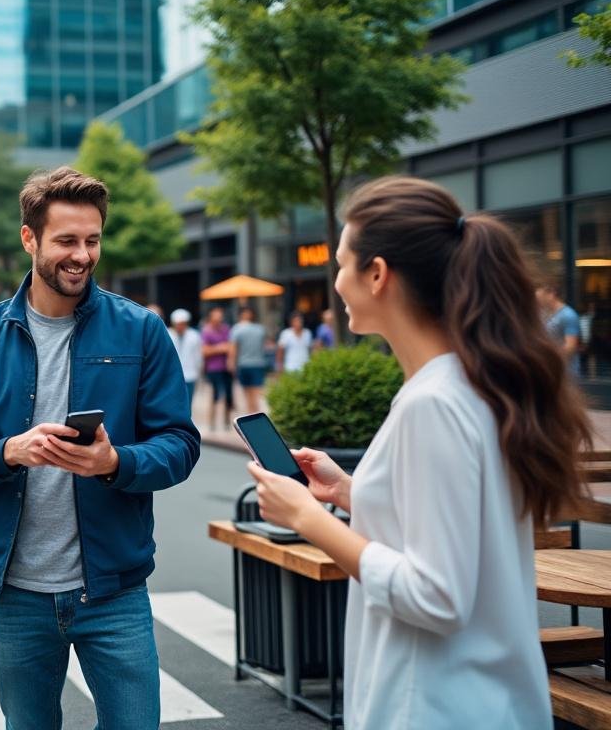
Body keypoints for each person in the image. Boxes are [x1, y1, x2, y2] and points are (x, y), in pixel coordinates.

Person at [248, 176, 590, 729]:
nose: (336, 282)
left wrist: (309, 518)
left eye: (341, 264)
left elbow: (436, 596)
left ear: (377, 274)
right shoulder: (473, 385)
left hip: (436, 704)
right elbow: (456, 526)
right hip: (483, 698)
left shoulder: (433, 403)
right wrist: (350, 492)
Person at [0, 167, 201, 730]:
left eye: (92, 240)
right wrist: (8, 452)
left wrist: (116, 463)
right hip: (16, 594)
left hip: (114, 591)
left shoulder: (141, 331)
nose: (82, 255)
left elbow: (179, 444)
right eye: (67, 241)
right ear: (29, 239)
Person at [229, 306, 268, 414]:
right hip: (256, 364)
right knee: (255, 394)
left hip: (246, 364)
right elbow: (264, 346)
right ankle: (255, 414)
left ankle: (251, 414)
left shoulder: (237, 329)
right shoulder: (260, 329)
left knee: (248, 394)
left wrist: (231, 363)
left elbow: (233, 348)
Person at [537, 282, 581, 377]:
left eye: (541, 298)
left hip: (567, 373)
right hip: (550, 370)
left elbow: (570, 347)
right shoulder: (543, 314)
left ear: (551, 294)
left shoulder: (568, 315)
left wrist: (548, 356)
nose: (539, 301)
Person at [200, 307, 233, 431]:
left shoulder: (226, 329)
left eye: (220, 317)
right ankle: (212, 423)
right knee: (215, 396)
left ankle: (227, 422)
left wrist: (218, 348)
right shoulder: (206, 331)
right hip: (213, 368)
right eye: (216, 318)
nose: (218, 320)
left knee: (228, 396)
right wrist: (221, 348)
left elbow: (231, 347)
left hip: (227, 368)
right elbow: (204, 351)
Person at [167, 308, 203, 408]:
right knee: (173, 403)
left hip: (190, 375)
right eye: (178, 324)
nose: (180, 326)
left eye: (183, 323)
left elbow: (198, 356)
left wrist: (199, 371)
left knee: (188, 402)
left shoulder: (194, 335)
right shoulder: (167, 334)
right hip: (171, 376)